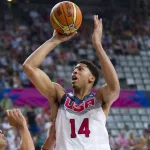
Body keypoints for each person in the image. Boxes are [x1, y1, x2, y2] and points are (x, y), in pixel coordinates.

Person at [23, 15, 120, 150]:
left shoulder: (100, 98)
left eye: (80, 69)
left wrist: (98, 46)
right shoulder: (59, 96)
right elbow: (29, 67)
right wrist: (54, 40)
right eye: (74, 69)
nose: (74, 72)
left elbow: (114, 87)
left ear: (91, 78)